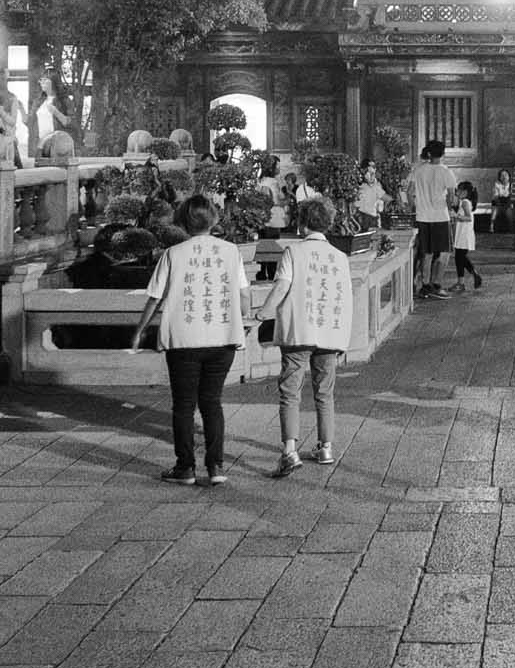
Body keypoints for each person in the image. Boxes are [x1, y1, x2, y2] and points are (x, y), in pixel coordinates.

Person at [130, 194, 252, 487]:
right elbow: (244, 298)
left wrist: (139, 330)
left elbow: (155, 298)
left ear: (183, 222)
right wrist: (243, 316)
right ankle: (216, 465)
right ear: (214, 219)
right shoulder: (231, 252)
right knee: (212, 402)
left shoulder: (173, 254)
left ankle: (185, 467)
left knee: (184, 405)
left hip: (183, 339)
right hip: (222, 338)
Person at [267, 197, 352, 476]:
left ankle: (290, 451)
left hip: (298, 332)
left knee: (290, 392)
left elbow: (281, 288)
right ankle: (325, 447)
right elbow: (346, 298)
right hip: (330, 332)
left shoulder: (293, 252)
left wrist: (262, 314)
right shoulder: (340, 257)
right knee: (325, 393)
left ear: (302, 224)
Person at [409, 138, 456, 298]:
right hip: (440, 216)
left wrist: (414, 208)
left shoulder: (418, 170)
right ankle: (437, 284)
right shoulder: (445, 171)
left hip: (422, 216)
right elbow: (451, 196)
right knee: (444, 252)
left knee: (426, 253)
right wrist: (449, 209)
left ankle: (425, 285)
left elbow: (409, 192)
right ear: (442, 154)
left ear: (428, 153)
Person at [448, 180, 482, 291]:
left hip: (464, 234)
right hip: (463, 233)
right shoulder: (464, 202)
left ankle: (461, 282)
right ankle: (473, 274)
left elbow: (468, 218)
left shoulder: (465, 202)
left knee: (459, 257)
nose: (456, 191)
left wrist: (456, 216)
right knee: (461, 257)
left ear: (465, 192)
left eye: (459, 189)